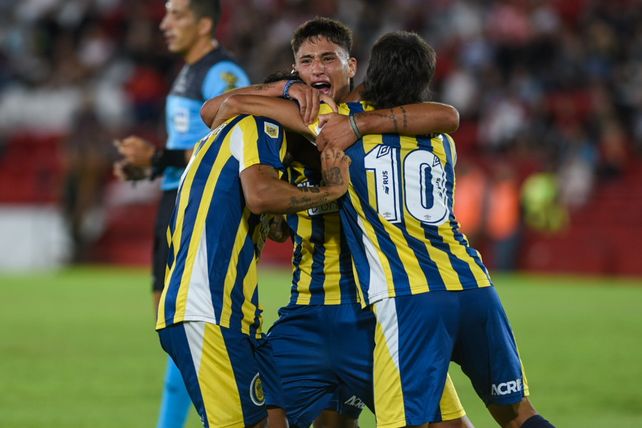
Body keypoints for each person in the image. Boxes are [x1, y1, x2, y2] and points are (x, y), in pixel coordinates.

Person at [203, 17, 471, 428]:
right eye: (306, 61)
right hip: (306, 313)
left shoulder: (374, 116)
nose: (317, 69)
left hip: (375, 314)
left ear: (351, 66)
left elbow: (447, 116)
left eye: (329, 59)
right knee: (261, 417)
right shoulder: (290, 122)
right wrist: (285, 89)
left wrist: (359, 124)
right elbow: (212, 111)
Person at [324, 31, 555, 428]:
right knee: (518, 413)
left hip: (410, 295)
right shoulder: (441, 139)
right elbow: (446, 114)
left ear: (370, 73)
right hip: (474, 286)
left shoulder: (343, 131)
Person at [156, 109, 351, 427]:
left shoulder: (219, 140)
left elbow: (273, 225)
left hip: (232, 313)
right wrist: (331, 190)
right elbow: (261, 196)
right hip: (208, 307)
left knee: (270, 421)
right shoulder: (260, 125)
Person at [112, 1, 250, 427]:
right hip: (175, 198)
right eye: (166, 14)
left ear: (205, 24)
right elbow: (187, 149)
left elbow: (231, 142)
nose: (164, 23)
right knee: (172, 328)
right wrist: (151, 166)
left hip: (201, 205)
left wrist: (158, 157)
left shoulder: (222, 74)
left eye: (177, 15)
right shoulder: (188, 71)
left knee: (187, 326)